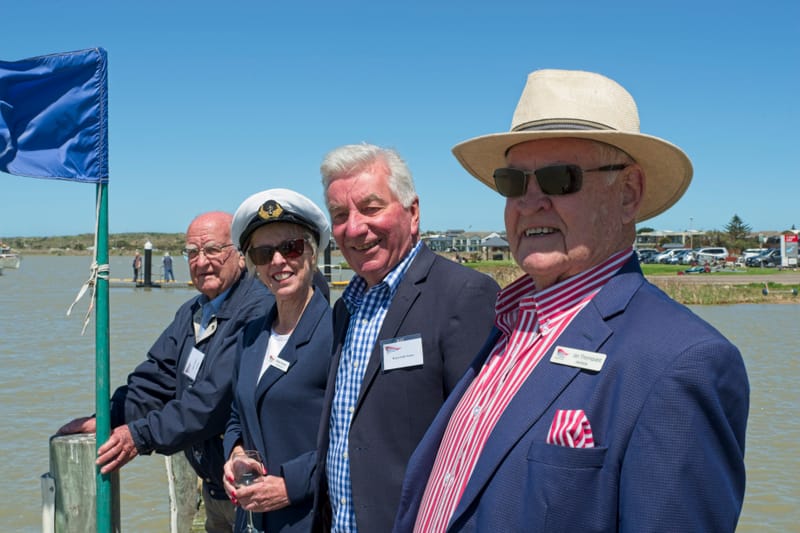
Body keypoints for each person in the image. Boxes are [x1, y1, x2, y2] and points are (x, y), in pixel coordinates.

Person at [393, 69, 750, 532]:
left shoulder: (682, 361)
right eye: (513, 183)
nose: (529, 202)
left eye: (560, 180)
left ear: (629, 194)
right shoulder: (507, 327)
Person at [311, 143, 500, 533]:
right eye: (340, 215)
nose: (355, 228)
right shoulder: (345, 307)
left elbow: (481, 449)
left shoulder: (464, 295)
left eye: (371, 207)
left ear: (413, 213)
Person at [58, 211, 272, 533]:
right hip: (215, 489)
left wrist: (140, 436)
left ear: (241, 255)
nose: (201, 262)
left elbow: (212, 401)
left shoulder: (259, 310)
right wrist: (111, 416)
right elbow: (155, 378)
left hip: (254, 494)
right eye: (192, 253)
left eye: (213, 249)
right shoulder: (192, 313)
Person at [222, 189, 333, 532]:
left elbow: (358, 439)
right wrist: (236, 452)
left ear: (312, 253)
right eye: (263, 252)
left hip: (309, 518)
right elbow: (236, 415)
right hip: (252, 521)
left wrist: (291, 485)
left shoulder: (338, 334)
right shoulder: (252, 334)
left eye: (291, 247)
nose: (278, 262)